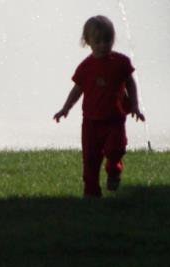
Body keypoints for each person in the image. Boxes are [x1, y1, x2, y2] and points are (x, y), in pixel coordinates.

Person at [53, 15, 144, 198]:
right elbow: (77, 90)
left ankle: (113, 169)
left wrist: (134, 105)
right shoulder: (85, 67)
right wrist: (65, 108)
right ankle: (91, 193)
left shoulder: (120, 62)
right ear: (87, 42)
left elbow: (130, 83)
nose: (103, 45)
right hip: (91, 122)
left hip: (115, 119)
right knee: (90, 160)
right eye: (98, 41)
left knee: (115, 149)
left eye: (107, 40)